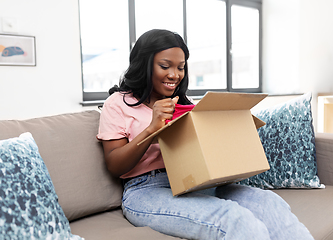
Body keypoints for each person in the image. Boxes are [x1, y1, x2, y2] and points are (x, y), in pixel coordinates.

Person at [96, 29, 314, 240]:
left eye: (181, 67)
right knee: (234, 219)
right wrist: (153, 129)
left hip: (195, 182)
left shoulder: (184, 104)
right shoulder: (118, 104)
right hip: (145, 191)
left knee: (268, 203)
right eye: (165, 66)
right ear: (144, 64)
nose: (174, 75)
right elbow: (115, 165)